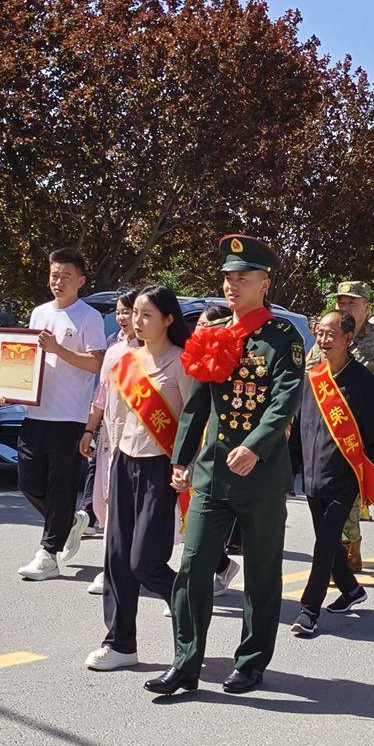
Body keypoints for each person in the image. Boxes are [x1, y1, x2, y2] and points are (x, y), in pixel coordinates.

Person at [147, 235, 305, 697]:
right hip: (214, 471)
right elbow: (197, 403)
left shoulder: (283, 338)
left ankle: (251, 663)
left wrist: (255, 446)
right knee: (193, 566)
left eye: (243, 278)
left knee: (261, 572)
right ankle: (185, 662)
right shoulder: (213, 331)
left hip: (261, 475)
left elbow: (284, 400)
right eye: (228, 277)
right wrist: (181, 458)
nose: (232, 285)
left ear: (265, 283)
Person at [80, 286, 194, 670]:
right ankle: (120, 643)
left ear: (168, 319)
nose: (137, 321)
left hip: (160, 467)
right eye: (135, 314)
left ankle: (188, 604)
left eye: (147, 314)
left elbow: (195, 422)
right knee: (116, 557)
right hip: (123, 461)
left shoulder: (181, 363)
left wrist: (186, 465)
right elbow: (115, 414)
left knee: (145, 561)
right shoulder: (125, 360)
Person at [291, 310, 374, 638]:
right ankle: (351, 590)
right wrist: (290, 471)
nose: (323, 340)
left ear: (348, 338)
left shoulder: (363, 382)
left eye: (330, 334)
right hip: (312, 475)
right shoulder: (312, 378)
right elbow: (300, 428)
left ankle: (309, 610)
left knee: (323, 544)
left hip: (345, 478)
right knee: (329, 541)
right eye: (319, 333)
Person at [9, 248, 108, 581]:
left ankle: (49, 554)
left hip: (70, 416)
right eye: (54, 275)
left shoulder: (88, 317)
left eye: (66, 276)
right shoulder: (39, 313)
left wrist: (59, 349)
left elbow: (96, 363)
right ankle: (70, 522)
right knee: (28, 482)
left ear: (80, 281)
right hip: (36, 412)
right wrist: (10, 390)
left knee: (60, 487)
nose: (59, 281)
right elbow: (27, 360)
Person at [313, 282, 374, 573]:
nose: (344, 308)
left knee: (350, 496)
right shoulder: (326, 336)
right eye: (341, 303)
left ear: (367, 308)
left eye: (352, 303)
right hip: (325, 430)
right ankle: (343, 548)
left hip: (360, 433)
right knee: (324, 496)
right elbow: (309, 376)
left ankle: (347, 551)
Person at [81, 288, 144, 598]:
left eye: (128, 312)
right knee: (107, 500)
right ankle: (113, 567)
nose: (122, 317)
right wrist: (89, 430)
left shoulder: (154, 353)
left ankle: (127, 568)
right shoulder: (113, 349)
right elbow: (102, 394)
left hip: (140, 441)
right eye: (119, 312)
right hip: (110, 437)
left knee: (132, 508)